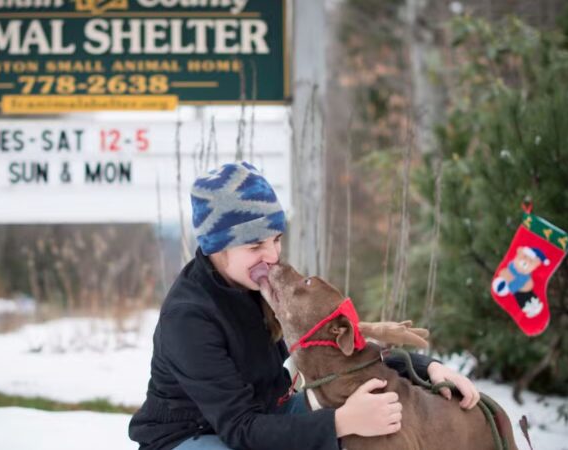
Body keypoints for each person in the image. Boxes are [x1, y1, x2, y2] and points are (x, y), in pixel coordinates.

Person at [129, 162, 480, 450]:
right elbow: (240, 429)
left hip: (268, 417)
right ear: (216, 248)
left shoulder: (261, 282)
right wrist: (340, 422)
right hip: (191, 437)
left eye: (276, 239)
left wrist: (427, 367)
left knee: (368, 410)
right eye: (254, 246)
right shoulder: (189, 318)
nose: (272, 255)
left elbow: (332, 345)